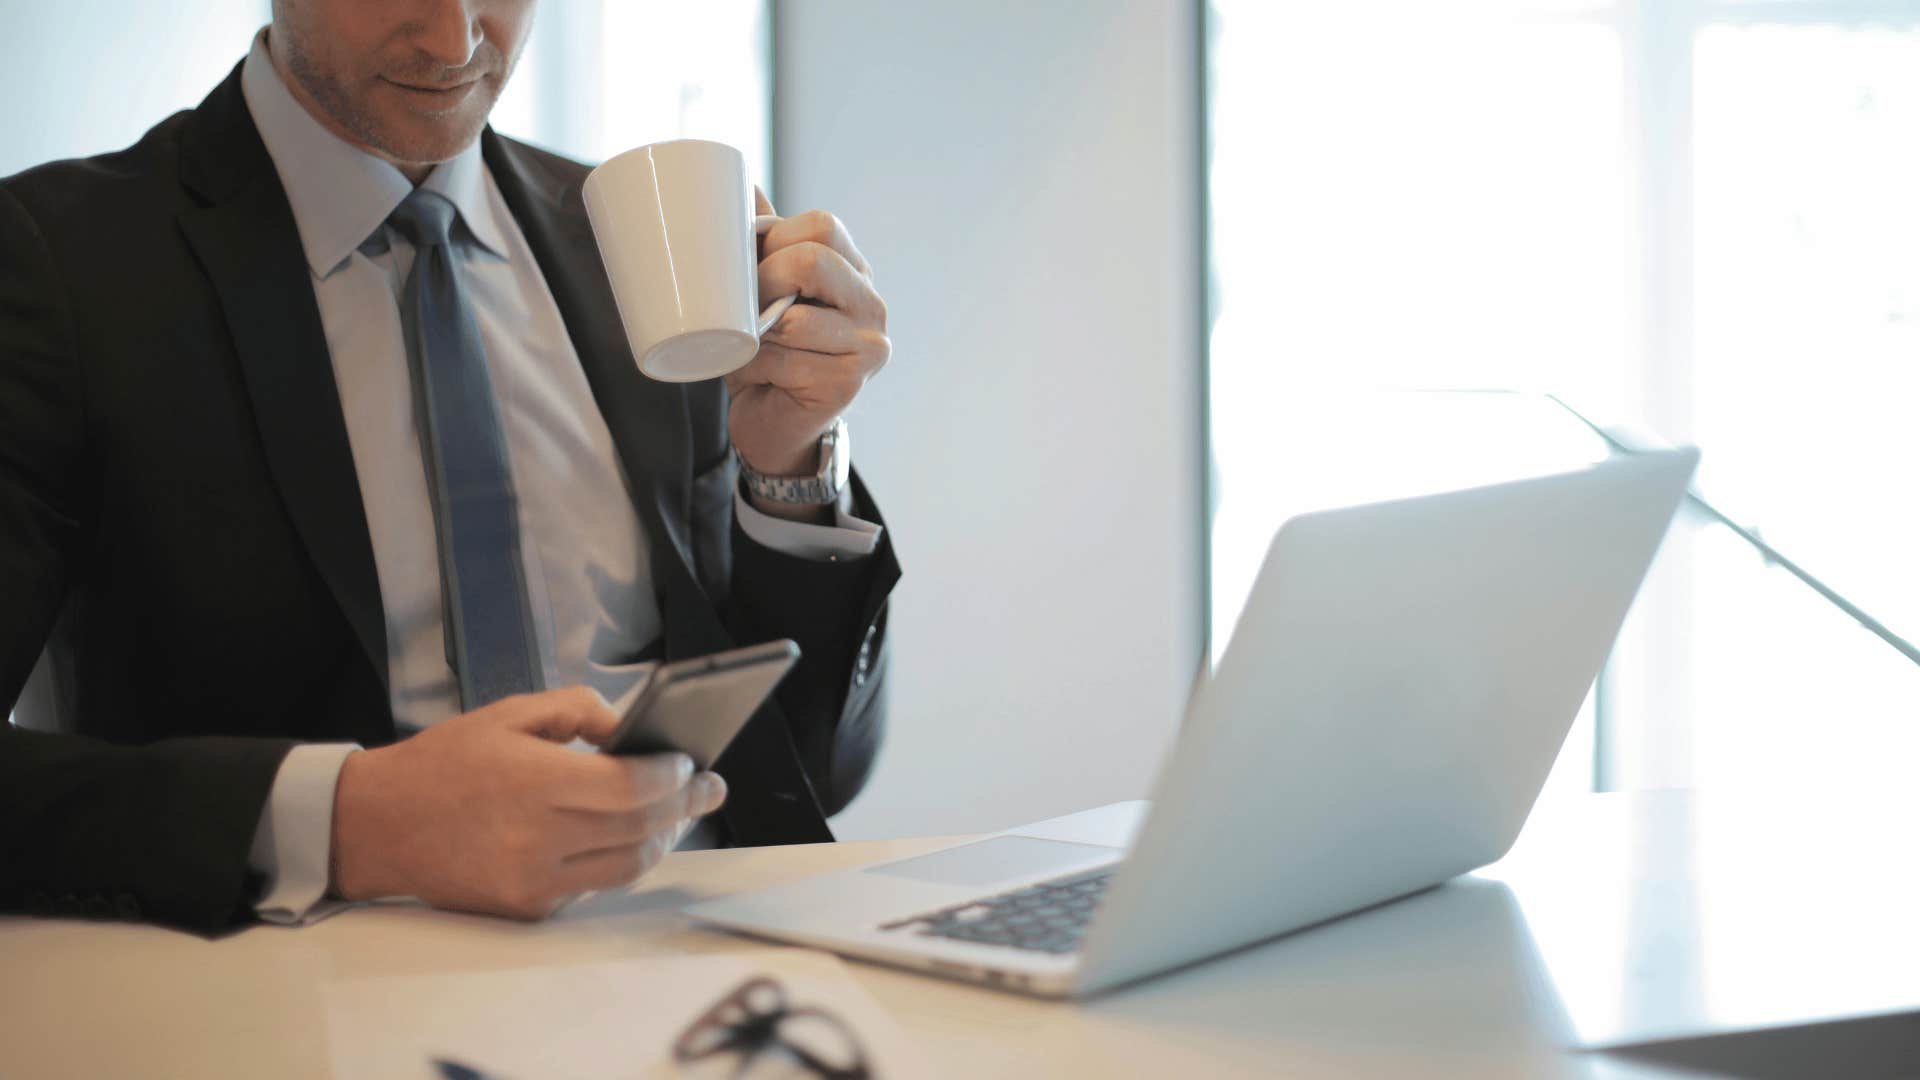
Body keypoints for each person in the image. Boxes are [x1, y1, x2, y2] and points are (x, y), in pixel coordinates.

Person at [0, 0, 900, 934]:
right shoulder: (57, 259)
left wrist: (790, 468)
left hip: (692, 956)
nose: (455, 43)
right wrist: (352, 820)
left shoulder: (639, 248)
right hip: (301, 1003)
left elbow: (811, 773)